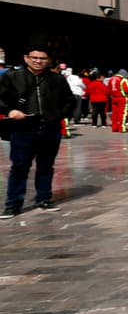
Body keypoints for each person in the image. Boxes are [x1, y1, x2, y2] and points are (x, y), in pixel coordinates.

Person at [0, 44, 77, 217]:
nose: (38, 61)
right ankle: (13, 204)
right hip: (23, 128)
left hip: (50, 128)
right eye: (34, 57)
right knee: (19, 166)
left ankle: (43, 198)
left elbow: (69, 100)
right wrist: (10, 110)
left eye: (42, 58)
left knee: (46, 166)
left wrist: (58, 115)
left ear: (48, 60)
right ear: (26, 58)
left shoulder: (56, 79)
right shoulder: (12, 77)